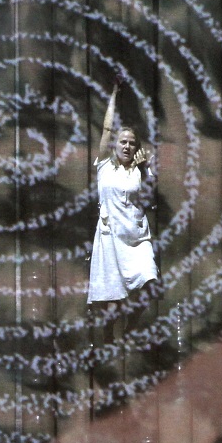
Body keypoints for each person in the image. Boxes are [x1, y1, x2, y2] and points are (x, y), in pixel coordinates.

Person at [87, 80, 160, 342]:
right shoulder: (105, 165)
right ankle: (109, 334)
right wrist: (114, 95)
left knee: (151, 284)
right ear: (115, 145)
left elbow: (152, 198)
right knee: (111, 296)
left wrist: (146, 170)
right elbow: (107, 128)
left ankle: (131, 326)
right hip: (110, 235)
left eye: (131, 143)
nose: (127, 146)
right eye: (123, 142)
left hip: (136, 237)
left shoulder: (142, 171)